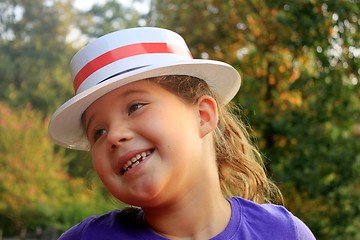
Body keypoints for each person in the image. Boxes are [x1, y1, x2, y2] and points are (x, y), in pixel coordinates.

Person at [49, 27, 316, 239]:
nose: (114, 136)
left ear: (203, 115)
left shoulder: (284, 233)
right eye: (98, 132)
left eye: (135, 107)